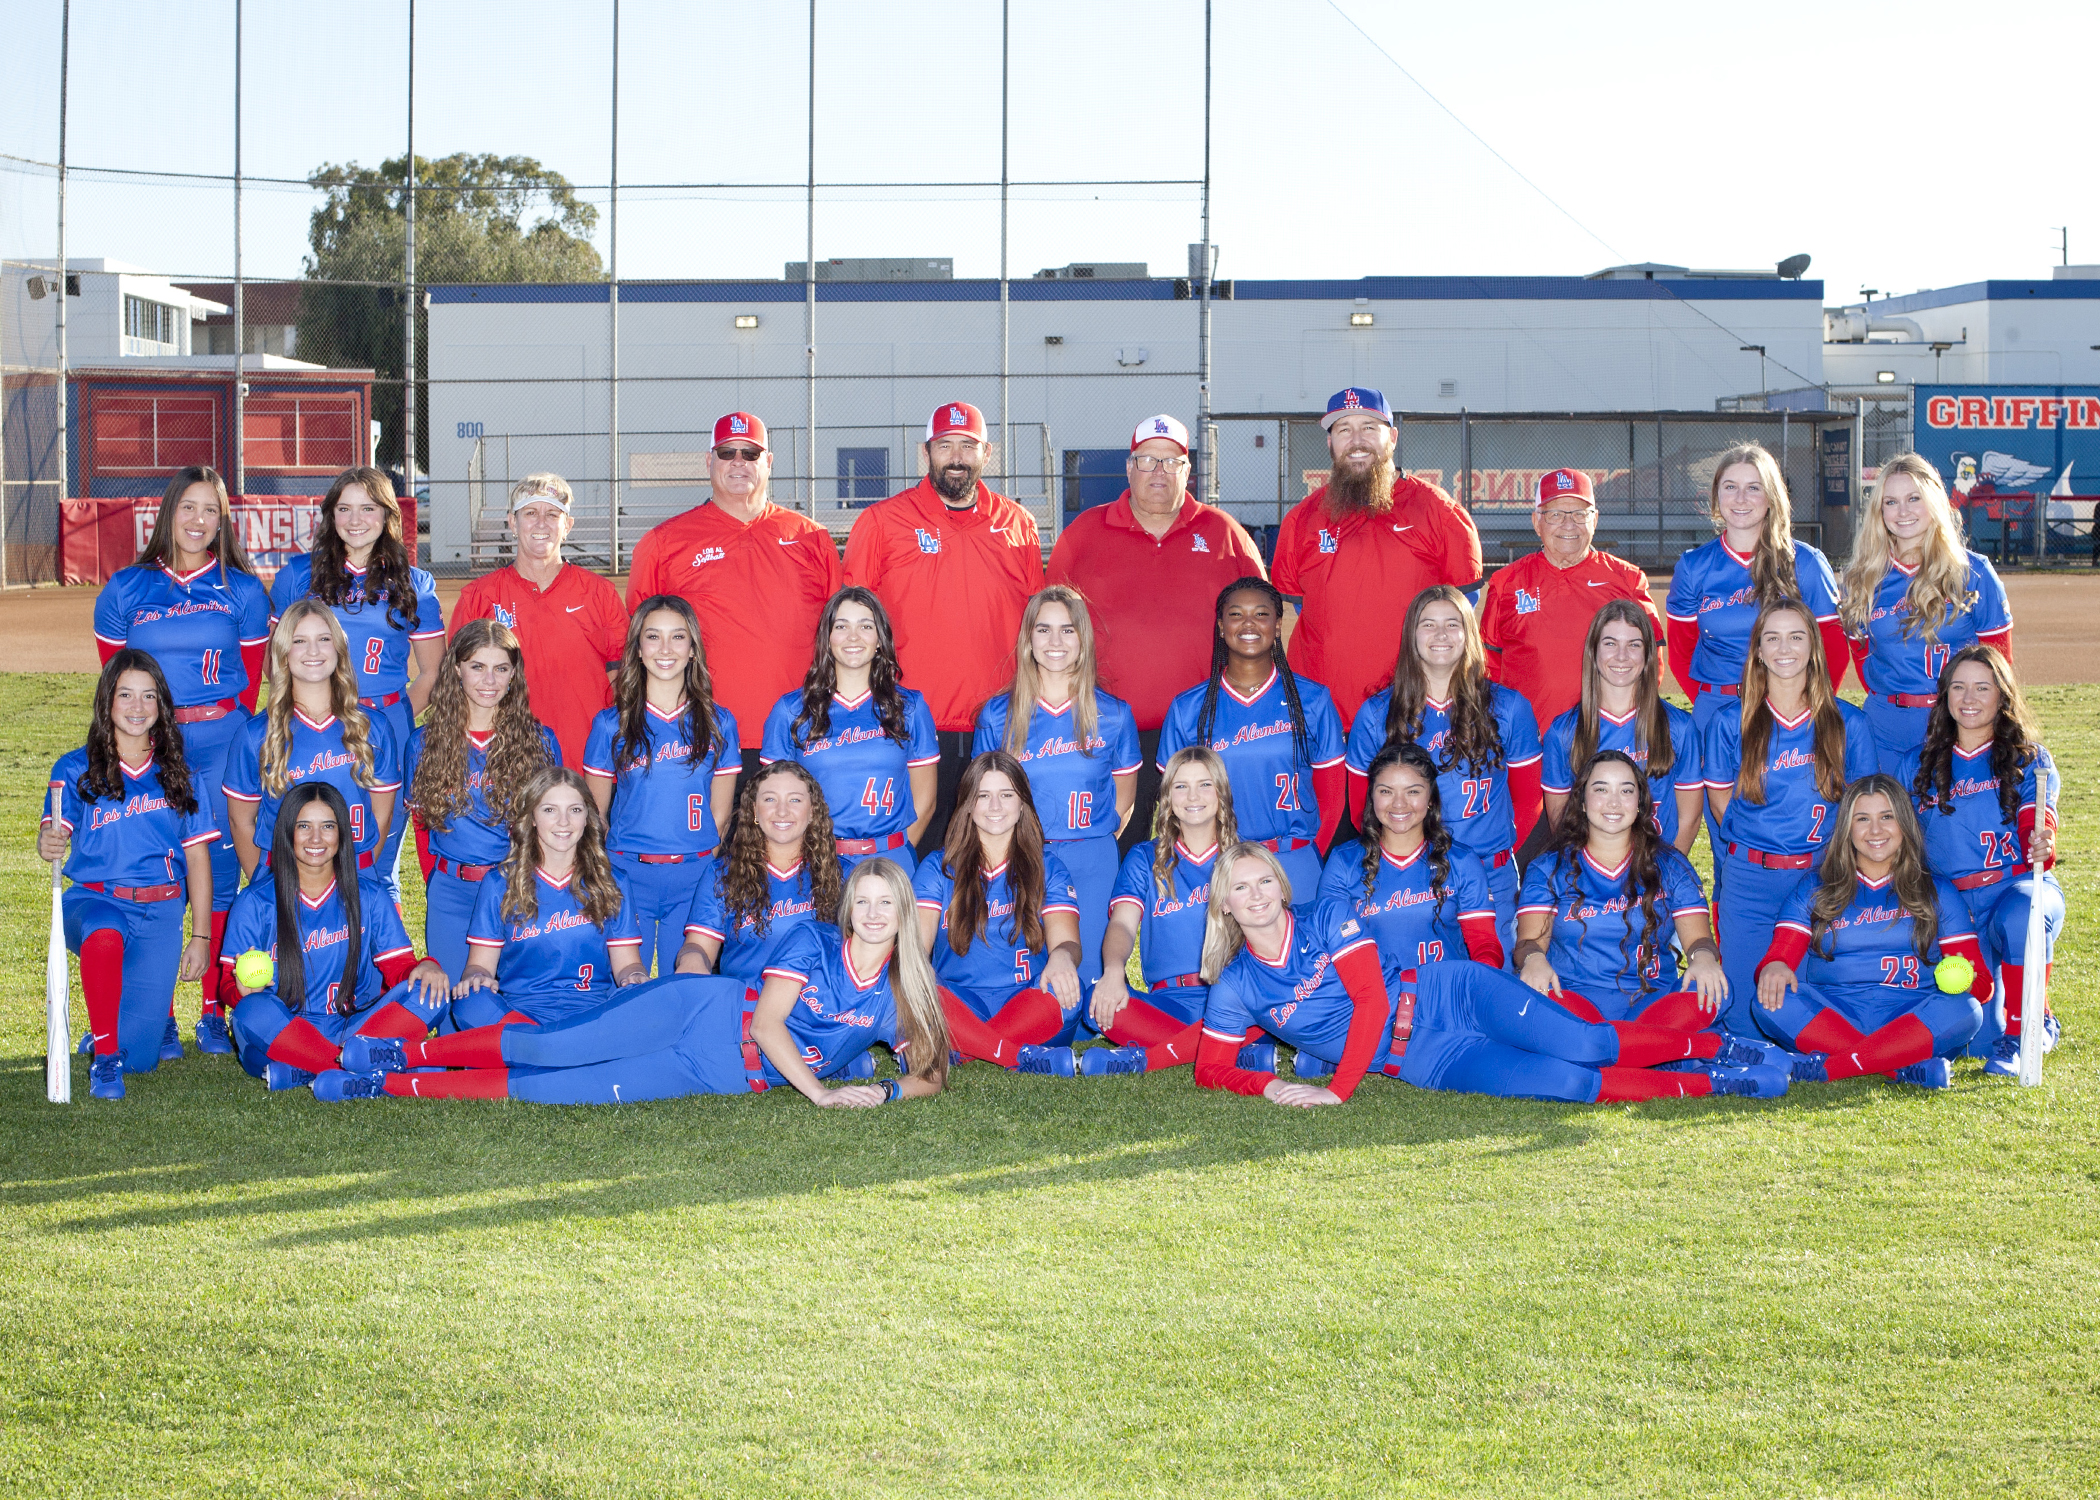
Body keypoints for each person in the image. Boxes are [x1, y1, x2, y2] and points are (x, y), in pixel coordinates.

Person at [321, 859, 949, 1107]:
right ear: (848, 910)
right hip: (701, 1012)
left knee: (560, 1092)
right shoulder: (813, 939)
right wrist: (823, 1094)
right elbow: (766, 1024)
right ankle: (405, 1052)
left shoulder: (900, 994)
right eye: (861, 901)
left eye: (885, 903)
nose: (871, 914)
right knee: (551, 1048)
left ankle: (390, 1083)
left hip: (722, 1075)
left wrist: (890, 1092)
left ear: (902, 913)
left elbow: (934, 1073)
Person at [1193, 845, 1783, 1107]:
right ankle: (1710, 1082)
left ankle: (1710, 1046)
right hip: (1420, 1061)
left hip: (1449, 996)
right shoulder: (1236, 985)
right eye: (1240, 888)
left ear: (1281, 885)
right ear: (1225, 906)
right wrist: (1267, 1085)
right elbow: (1208, 1071)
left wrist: (1336, 1090)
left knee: (1585, 1043)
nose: (1258, 896)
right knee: (1571, 1084)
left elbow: (1370, 1003)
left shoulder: (1325, 915)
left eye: (1265, 880)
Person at [92, 465, 271, 1051]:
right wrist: (149, 740)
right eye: (188, 508)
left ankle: (213, 1008)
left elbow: (249, 686)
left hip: (222, 741)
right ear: (168, 513)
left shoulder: (242, 590)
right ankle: (157, 1008)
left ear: (224, 520)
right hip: (154, 743)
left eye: (211, 510)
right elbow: (116, 682)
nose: (198, 521)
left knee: (219, 873)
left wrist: (219, 731)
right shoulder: (126, 588)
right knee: (159, 868)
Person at [1045, 413, 1266, 846]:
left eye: (1171, 462)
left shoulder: (1223, 533)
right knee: (1114, 847)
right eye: (1148, 460)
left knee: (1203, 851)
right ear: (1129, 467)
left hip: (1204, 729)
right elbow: (1048, 627)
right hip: (1105, 729)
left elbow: (1262, 623)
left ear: (1188, 471)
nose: (1159, 472)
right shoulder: (1086, 533)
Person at [843, 401, 1045, 849]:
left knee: (993, 857)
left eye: (967, 446)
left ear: (987, 453)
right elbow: (848, 623)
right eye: (944, 445)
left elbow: (1038, 623)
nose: (956, 456)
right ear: (926, 452)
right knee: (911, 852)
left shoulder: (1018, 524)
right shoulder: (881, 522)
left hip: (998, 721)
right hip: (907, 720)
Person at [623, 412, 843, 781]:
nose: (738, 462)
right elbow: (636, 645)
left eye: (751, 454)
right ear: (709, 461)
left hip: (800, 733)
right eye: (727, 453)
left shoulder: (811, 538)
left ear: (768, 462)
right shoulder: (663, 543)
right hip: (697, 734)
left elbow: (842, 636)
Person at [39, 651, 218, 1098]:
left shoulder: (180, 771)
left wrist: (200, 937)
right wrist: (49, 842)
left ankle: (111, 1037)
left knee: (139, 1059)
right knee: (105, 934)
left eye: (148, 696)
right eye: (125, 695)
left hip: (160, 912)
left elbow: (197, 860)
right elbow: (53, 832)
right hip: (96, 901)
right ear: (107, 701)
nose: (137, 708)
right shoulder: (74, 767)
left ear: (161, 706)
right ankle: (104, 1060)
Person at [268, 466, 444, 903]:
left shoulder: (414, 584)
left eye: (368, 508)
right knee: (309, 847)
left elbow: (433, 673)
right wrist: (315, 716)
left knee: (379, 862)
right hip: (313, 726)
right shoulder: (297, 577)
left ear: (387, 516)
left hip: (386, 724)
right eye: (344, 508)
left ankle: (382, 968)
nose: (355, 519)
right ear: (330, 516)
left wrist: (387, 721)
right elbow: (276, 664)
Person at [1704, 601, 1878, 1034]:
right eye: (1773, 637)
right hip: (1751, 882)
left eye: (1797, 637)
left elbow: (1864, 809)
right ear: (1758, 651)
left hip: (1822, 881)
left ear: (1814, 648)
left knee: (1817, 1015)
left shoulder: (1846, 722)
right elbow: (1721, 801)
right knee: (1747, 1020)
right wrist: (1759, 845)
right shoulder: (1732, 722)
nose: (1785, 648)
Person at [1752, 776, 1991, 1089]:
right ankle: (1899, 1069)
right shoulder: (1815, 888)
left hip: (1911, 1019)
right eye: (1862, 819)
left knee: (1966, 1009)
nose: (1875, 831)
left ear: (1905, 824)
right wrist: (1775, 966)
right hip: (1835, 1017)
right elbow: (1778, 956)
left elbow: (1982, 984)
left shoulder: (1937, 892)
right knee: (1769, 1000)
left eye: (1887, 817)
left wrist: (1966, 979)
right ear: (1847, 829)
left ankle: (1831, 1066)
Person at [1345, 586, 1542, 961]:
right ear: (1410, 634)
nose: (1440, 635)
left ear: (1469, 632)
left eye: (1453, 624)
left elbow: (1529, 801)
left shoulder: (1509, 707)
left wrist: (1489, 853)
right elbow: (1361, 808)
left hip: (1488, 873)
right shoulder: (1376, 713)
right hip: (1406, 880)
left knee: (1488, 990)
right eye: (1428, 624)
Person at [1665, 444, 1846, 850]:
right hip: (1718, 711)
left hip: (1790, 713)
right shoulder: (1695, 566)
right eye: (1730, 487)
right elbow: (1681, 650)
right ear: (1715, 497)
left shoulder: (1805, 563)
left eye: (1754, 488)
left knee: (1790, 828)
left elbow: (1832, 648)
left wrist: (1804, 704)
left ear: (1772, 497)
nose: (1741, 499)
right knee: (1726, 837)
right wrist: (1722, 703)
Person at [1515, 752, 1747, 1067]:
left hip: (1653, 1005)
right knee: (1534, 1001)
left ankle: (1611, 1053)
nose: (1614, 802)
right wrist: (1534, 959)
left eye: (1626, 790)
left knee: (1720, 988)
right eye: (1600, 789)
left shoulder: (1670, 864)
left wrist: (1704, 958)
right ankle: (1672, 1053)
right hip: (1576, 1005)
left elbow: (1697, 941)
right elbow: (1528, 943)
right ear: (1581, 801)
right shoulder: (1547, 867)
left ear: (1640, 803)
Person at [1271, 387, 1483, 726]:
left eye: (1369, 427)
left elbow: (1464, 611)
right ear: (1329, 443)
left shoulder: (1439, 511)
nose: (1357, 441)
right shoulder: (1301, 520)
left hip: (1414, 713)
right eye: (1343, 430)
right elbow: (1296, 613)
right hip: (1325, 718)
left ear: (1393, 436)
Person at [220, 783, 450, 1089]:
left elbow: (399, 970)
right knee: (251, 1013)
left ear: (342, 833)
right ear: (287, 832)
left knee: (432, 994)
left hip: (355, 1025)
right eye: (304, 826)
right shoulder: (255, 902)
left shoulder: (369, 896)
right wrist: (241, 993)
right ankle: (363, 1067)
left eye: (327, 826)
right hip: (286, 1030)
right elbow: (227, 985)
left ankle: (309, 1070)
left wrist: (427, 967)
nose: (316, 838)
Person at [1898, 646, 2062, 1075]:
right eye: (1959, 687)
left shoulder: (2029, 758)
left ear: (2002, 696)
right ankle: (2003, 1024)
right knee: (1975, 1040)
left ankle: (2033, 1023)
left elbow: (2035, 817)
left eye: (1982, 687)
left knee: (2022, 910)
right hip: (1954, 912)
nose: (1969, 698)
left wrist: (2039, 841)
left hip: (2016, 891)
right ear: (1945, 695)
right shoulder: (1917, 765)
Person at [972, 586, 1139, 986]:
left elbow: (1125, 797)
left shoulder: (1114, 714)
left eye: (1067, 630)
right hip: (1022, 856)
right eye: (1043, 629)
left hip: (1091, 854)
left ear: (1083, 640)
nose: (1055, 641)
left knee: (1089, 988)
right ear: (1028, 640)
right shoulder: (998, 715)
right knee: (1024, 981)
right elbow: (980, 799)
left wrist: (1093, 843)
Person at [1157, 577, 1346, 905]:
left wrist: (1309, 851)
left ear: (1277, 625)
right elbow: (1174, 803)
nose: (1248, 624)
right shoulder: (1189, 708)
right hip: (1218, 862)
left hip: (1294, 858)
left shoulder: (1313, 700)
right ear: (1220, 626)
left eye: (1261, 614)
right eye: (1236, 615)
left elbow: (1331, 798)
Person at [581, 596, 740, 977]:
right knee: (622, 985)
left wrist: (696, 861)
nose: (665, 649)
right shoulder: (610, 725)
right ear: (637, 649)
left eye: (678, 637)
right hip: (627, 872)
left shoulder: (719, 722)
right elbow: (595, 815)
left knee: (681, 987)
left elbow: (720, 816)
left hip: (693, 875)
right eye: (653, 637)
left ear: (692, 649)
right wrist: (610, 869)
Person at [402, 620, 561, 980]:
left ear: (513, 674)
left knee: (517, 1005)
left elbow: (553, 831)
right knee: (456, 1008)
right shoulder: (423, 744)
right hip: (451, 893)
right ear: (456, 667)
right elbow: (423, 830)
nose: (489, 681)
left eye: (500, 668)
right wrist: (435, 886)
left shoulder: (540, 742)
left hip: (515, 888)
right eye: (477, 666)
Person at [1840, 453, 2015, 776]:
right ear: (1879, 511)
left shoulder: (1974, 573)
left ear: (1934, 501)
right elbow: (1864, 662)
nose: (1902, 511)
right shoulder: (1861, 578)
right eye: (1890, 502)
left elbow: (1999, 666)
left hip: (1958, 724)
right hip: (1886, 728)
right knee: (1884, 824)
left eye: (1913, 498)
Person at [913, 751, 1086, 1074]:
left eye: (1006, 795)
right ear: (968, 804)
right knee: (918, 993)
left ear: (1023, 804)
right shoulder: (938, 868)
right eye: (983, 796)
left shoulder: (1048, 867)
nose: (995, 807)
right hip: (960, 1002)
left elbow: (1068, 943)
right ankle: (1020, 1055)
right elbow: (916, 954)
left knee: (1068, 995)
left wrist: (1063, 958)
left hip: (1027, 999)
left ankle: (963, 1050)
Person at [451, 767, 649, 1031]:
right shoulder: (500, 883)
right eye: (549, 810)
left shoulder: (613, 881)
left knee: (642, 1004)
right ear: (532, 817)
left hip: (591, 1012)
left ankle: (544, 1050)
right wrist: (477, 978)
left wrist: (635, 976)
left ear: (588, 817)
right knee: (469, 1002)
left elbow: (627, 963)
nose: (564, 822)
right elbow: (479, 964)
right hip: (518, 1015)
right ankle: (547, 1048)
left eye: (575, 810)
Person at [451, 474, 626, 768]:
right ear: (512, 522)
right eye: (530, 513)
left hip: (586, 762)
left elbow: (623, 681)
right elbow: (455, 686)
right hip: (502, 766)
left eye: (552, 514)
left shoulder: (600, 594)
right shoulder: (478, 597)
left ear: (567, 525)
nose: (541, 523)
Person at [761, 588, 939, 875]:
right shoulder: (791, 710)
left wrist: (896, 853)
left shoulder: (910, 707)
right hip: (815, 862)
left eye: (865, 626)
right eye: (841, 626)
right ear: (827, 639)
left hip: (890, 857)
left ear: (880, 639)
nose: (853, 637)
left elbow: (926, 800)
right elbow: (771, 802)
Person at [223, 600, 401, 884]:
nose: (314, 651)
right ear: (283, 652)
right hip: (282, 878)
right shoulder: (256, 734)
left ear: (339, 648)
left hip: (354, 876)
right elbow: (240, 822)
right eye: (300, 641)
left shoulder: (373, 727)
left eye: (324, 639)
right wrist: (266, 884)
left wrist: (357, 875)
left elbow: (381, 814)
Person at [1084, 747, 1237, 1076]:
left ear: (1222, 792)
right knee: (1095, 1006)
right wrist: (1112, 973)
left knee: (1261, 1012)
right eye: (1181, 786)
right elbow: (1123, 925)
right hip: (1170, 1003)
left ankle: (1146, 1057)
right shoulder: (1144, 858)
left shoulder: (1244, 856)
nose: (1192, 796)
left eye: (1205, 785)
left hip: (1232, 995)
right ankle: (1233, 1050)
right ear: (1167, 797)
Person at [1479, 467, 1661, 731]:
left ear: (1595, 520)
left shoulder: (1628, 580)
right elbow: (1488, 667)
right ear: (1536, 522)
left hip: (1605, 739)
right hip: (1530, 742)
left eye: (1579, 514)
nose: (1568, 525)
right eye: (1555, 514)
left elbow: (1651, 661)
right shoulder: (1506, 582)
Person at [1320, 742, 1502, 971]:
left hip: (1443, 996)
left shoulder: (1462, 861)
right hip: (1375, 997)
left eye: (1413, 791)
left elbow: (1484, 943)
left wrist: (1472, 985)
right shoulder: (1343, 862)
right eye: (1386, 791)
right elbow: (1328, 945)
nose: (1398, 804)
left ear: (1431, 799)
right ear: (1372, 796)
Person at [1540, 600, 1702, 854]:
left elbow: (1689, 820)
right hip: (1591, 881)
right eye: (1610, 644)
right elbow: (1561, 825)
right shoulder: (1563, 733)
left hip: (1656, 874)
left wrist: (1666, 876)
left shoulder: (1679, 727)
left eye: (1634, 645)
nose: (1622, 656)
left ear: (1648, 654)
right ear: (1593, 651)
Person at [673, 762, 843, 985]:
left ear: (812, 811)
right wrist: (692, 960)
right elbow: (699, 945)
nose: (782, 811)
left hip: (814, 1012)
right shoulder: (723, 873)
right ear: (754, 810)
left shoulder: (841, 874)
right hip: (744, 1006)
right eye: (770, 799)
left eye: (795, 800)